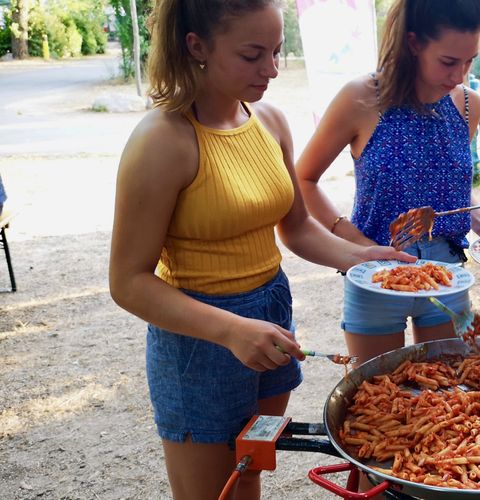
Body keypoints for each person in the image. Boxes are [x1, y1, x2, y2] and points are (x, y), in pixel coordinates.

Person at [108, 1, 411, 498]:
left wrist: (364, 258)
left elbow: (296, 227)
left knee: (250, 468)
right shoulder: (162, 140)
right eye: (252, 55)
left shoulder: (268, 119)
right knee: (214, 492)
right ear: (196, 46)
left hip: (269, 315)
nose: (270, 69)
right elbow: (128, 282)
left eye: (276, 51)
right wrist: (230, 329)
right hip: (200, 339)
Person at [295, 0, 480, 364]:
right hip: (375, 269)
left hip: (448, 272)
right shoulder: (361, 98)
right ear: (414, 44)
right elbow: (304, 178)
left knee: (444, 392)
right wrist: (354, 241)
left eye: (470, 61)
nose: (460, 75)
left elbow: (449, 185)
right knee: (376, 396)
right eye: (449, 62)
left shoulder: (469, 105)